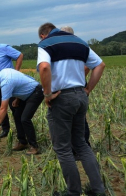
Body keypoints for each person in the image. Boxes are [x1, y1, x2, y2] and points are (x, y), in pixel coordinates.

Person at [37, 23, 105, 196]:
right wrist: (88, 89)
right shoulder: (80, 42)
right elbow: (100, 65)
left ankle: (73, 192)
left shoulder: (46, 44)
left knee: (63, 148)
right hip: (80, 96)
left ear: (43, 34)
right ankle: (98, 190)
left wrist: (47, 94)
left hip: (61, 98)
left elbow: (44, 67)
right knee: (81, 144)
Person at [0, 69, 43, 154]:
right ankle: (22, 142)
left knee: (25, 119)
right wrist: (18, 99)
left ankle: (34, 147)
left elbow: (3, 107)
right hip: (26, 93)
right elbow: (20, 82)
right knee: (17, 115)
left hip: (35, 92)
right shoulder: (3, 72)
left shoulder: (6, 82)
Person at [61, 26, 91, 148]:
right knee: (79, 117)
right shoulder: (81, 45)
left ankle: (79, 146)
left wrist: (76, 77)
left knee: (74, 118)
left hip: (70, 87)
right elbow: (89, 65)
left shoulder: (66, 47)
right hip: (79, 86)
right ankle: (82, 146)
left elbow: (88, 66)